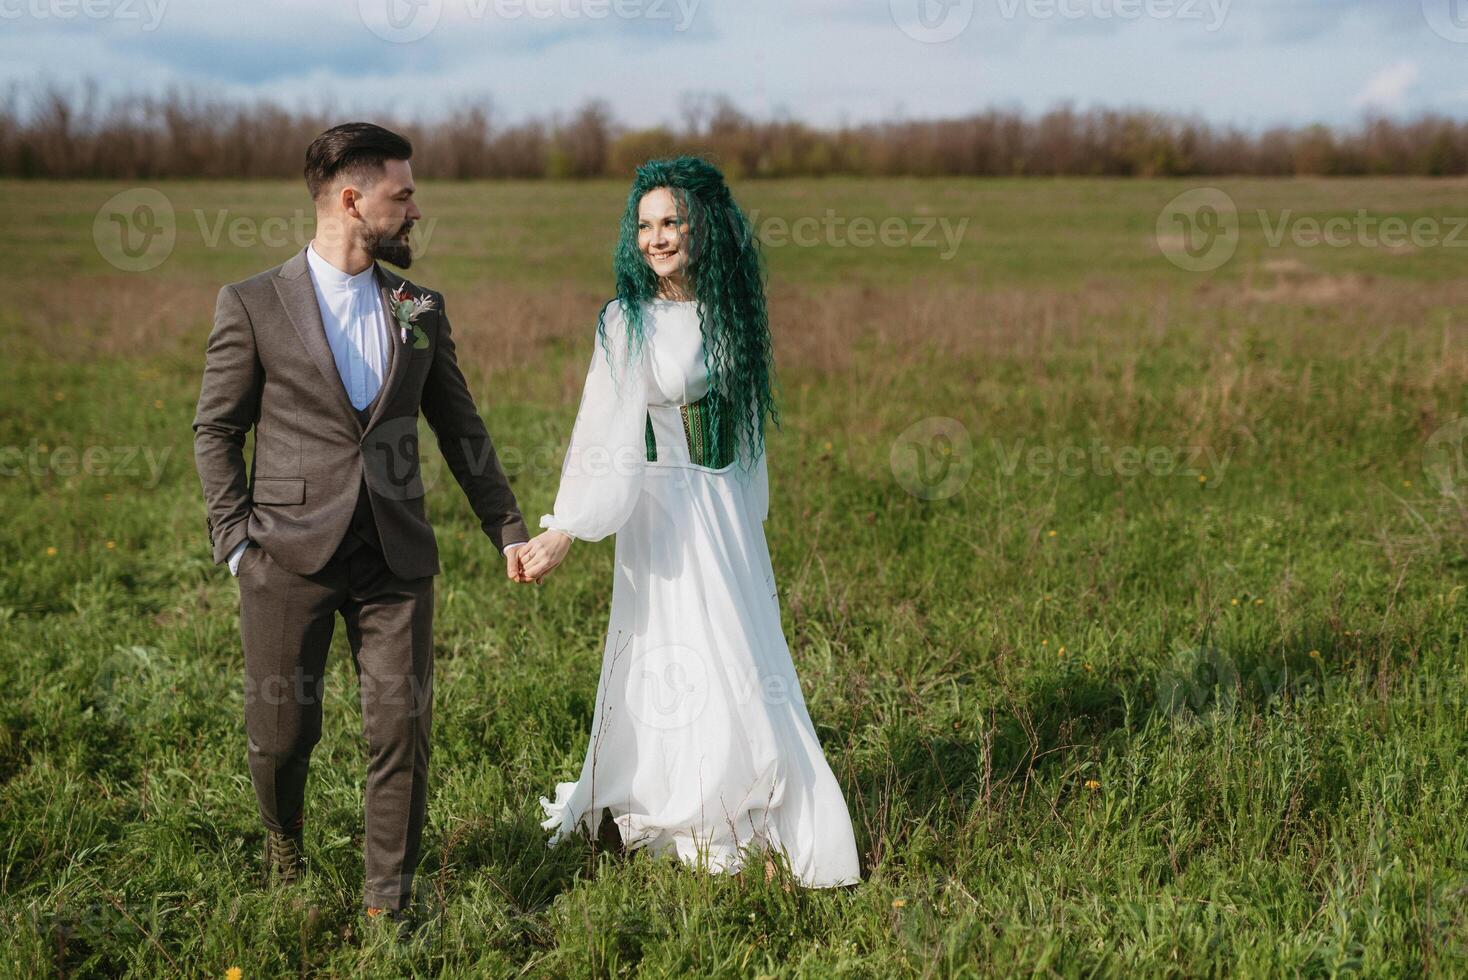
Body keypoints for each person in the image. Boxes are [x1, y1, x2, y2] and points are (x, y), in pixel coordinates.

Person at [191, 122, 531, 935]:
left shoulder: (419, 308)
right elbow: (215, 429)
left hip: (396, 556)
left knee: (399, 732)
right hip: (286, 555)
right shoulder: (252, 303)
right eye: (402, 195)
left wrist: (509, 529)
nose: (415, 209)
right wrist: (237, 541)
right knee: (281, 736)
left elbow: (462, 430)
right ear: (353, 199)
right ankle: (284, 842)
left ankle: (389, 902)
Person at [516, 156, 861, 889]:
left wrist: (747, 519)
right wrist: (565, 527)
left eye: (671, 221)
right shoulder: (625, 320)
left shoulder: (736, 311)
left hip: (723, 514)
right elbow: (602, 434)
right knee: (674, 654)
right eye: (644, 225)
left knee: (742, 654)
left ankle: (757, 807)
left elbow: (746, 439)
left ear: (704, 227)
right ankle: (687, 810)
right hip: (660, 517)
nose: (656, 237)